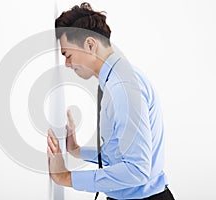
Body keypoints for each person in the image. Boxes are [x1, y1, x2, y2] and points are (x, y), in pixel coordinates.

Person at [47, 2, 175, 199]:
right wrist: (76, 150)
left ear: (90, 44)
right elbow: (120, 154)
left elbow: (137, 170)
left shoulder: (122, 87)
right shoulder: (117, 80)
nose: (67, 64)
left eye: (68, 55)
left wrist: (66, 177)